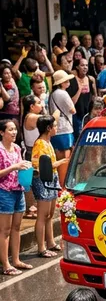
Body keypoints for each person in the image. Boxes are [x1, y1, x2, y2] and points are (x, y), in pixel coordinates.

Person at [0, 120, 32, 276]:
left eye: (15, 129)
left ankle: (17, 260)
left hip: (19, 190)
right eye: (10, 129)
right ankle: (6, 264)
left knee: (16, 228)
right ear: (1, 132)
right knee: (5, 230)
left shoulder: (18, 148)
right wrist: (14, 167)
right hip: (4, 192)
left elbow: (20, 168)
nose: (14, 132)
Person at [31, 115, 64, 259]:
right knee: (42, 216)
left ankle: (50, 242)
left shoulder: (48, 142)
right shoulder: (40, 144)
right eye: (55, 126)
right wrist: (62, 161)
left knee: (50, 215)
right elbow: (42, 166)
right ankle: (41, 248)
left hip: (52, 179)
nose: (56, 128)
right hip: (43, 181)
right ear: (49, 128)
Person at [47, 69, 75, 186]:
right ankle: (64, 183)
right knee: (65, 158)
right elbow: (73, 110)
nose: (68, 82)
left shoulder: (53, 94)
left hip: (57, 128)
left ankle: (60, 181)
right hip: (64, 128)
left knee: (58, 156)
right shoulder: (63, 93)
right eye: (66, 80)